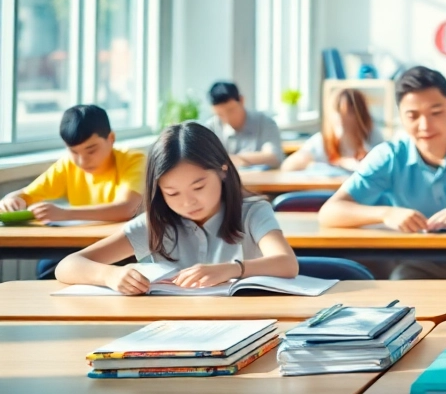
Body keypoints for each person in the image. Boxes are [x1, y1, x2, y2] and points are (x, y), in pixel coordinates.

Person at [319, 66, 446, 279]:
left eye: (436, 113)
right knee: (401, 284)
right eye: (413, 116)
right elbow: (330, 212)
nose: (425, 125)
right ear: (401, 116)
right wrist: (386, 214)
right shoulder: (389, 156)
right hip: (416, 262)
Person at [55, 123, 298, 294]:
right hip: (170, 326)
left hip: (245, 322)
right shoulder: (156, 223)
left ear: (223, 171)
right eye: (172, 193)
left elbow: (287, 263)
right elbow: (68, 265)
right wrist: (110, 275)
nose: (187, 202)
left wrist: (231, 270)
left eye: (198, 187)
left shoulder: (252, 212)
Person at [0, 105, 144, 224]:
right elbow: (26, 194)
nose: (82, 161)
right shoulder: (67, 165)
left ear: (111, 138)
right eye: (74, 152)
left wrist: (64, 213)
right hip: (80, 240)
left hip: (126, 245)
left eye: (91, 150)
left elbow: (127, 209)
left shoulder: (135, 161)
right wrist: (11, 199)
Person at [281, 88, 384, 172]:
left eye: (349, 112)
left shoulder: (373, 138)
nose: (341, 117)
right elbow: (288, 166)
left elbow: (383, 167)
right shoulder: (322, 141)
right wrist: (332, 165)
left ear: (361, 115)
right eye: (337, 111)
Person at [200, 82, 282, 170]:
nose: (227, 118)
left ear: (242, 100)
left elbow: (274, 156)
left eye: (231, 111)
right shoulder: (211, 127)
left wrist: (233, 159)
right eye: (220, 114)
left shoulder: (264, 122)